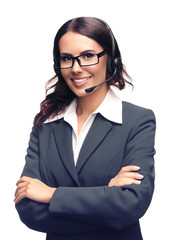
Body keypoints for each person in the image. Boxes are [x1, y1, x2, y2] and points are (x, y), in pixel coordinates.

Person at [14, 17, 156, 240]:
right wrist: (108, 200)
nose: (76, 69)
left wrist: (52, 195)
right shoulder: (46, 123)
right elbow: (28, 208)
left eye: (88, 56)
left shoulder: (137, 120)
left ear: (111, 59)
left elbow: (132, 204)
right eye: (67, 59)